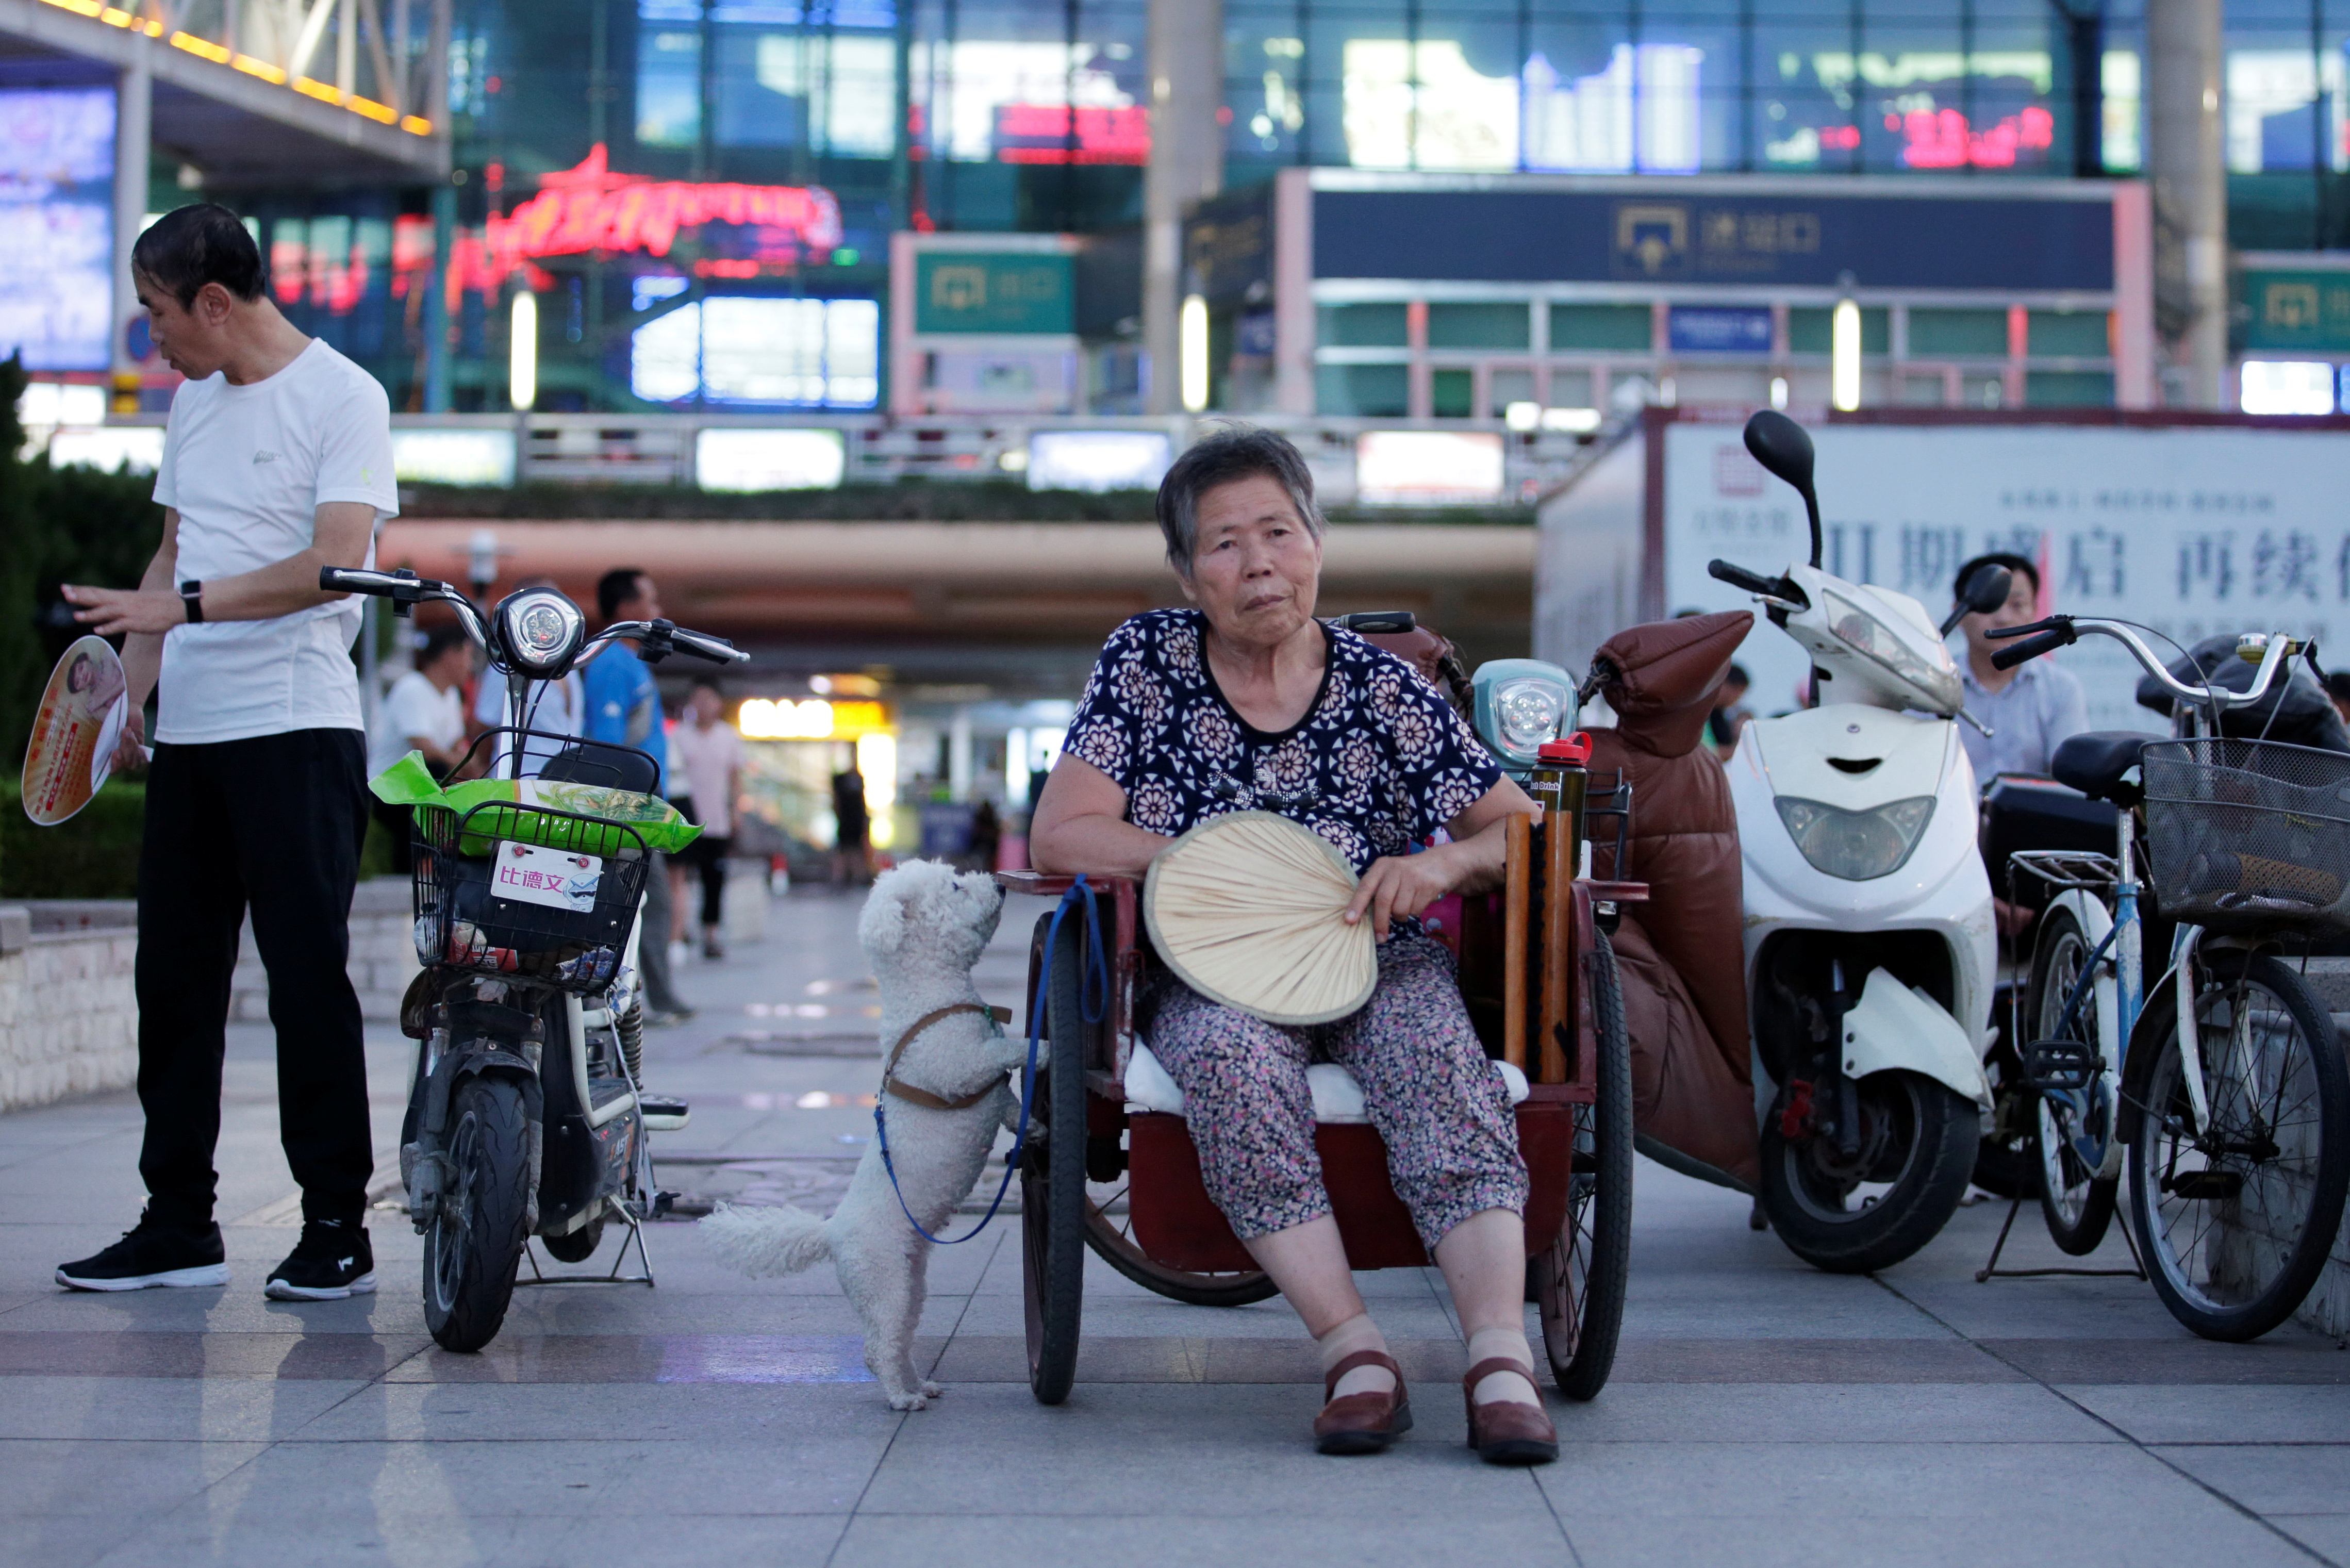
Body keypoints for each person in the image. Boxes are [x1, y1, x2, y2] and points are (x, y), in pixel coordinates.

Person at [1029, 425, 1553, 1465]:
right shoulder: (1147, 661)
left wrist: (1440, 867)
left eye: (1277, 529)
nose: (1256, 560)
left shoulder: (1384, 688)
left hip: (1370, 949)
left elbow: (1522, 828)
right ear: (1187, 571)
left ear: (1315, 540)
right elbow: (1062, 829)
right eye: (1223, 542)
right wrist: (1217, 863)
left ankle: (1500, 1355)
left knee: (1443, 1073)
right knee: (1228, 1068)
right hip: (1215, 967)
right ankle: (1354, 1351)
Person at [53, 203, 394, 1300]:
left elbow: (332, 565)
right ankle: (177, 1222)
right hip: (194, 737)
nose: (149, 336)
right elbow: (168, 561)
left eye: (157, 312)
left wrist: (186, 611)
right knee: (177, 986)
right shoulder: (193, 405)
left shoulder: (346, 396)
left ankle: (336, 1224)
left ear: (213, 300)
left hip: (296, 725)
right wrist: (121, 707)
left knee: (306, 985)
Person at [1952, 551, 2089, 938]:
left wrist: (2032, 888)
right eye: (1990, 604)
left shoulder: (2061, 690)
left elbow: (2070, 793)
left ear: (2035, 610)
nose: (2004, 617)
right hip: (1951, 855)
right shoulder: (1930, 687)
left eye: (2018, 604)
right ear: (1959, 611)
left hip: (2037, 863)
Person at [583, 567, 693, 1023]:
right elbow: (607, 744)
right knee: (644, 901)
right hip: (626, 806)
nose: (658, 610)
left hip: (643, 804)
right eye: (651, 600)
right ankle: (643, 1000)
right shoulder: (611, 664)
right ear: (627, 608)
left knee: (644, 903)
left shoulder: (630, 663)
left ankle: (648, 997)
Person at [367, 623, 472, 872]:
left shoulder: (450, 695)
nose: (471, 665)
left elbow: (457, 744)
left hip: (415, 786)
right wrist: (465, 766)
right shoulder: (412, 687)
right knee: (437, 772)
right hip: (389, 787)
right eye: (468, 656)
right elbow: (424, 748)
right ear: (450, 655)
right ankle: (410, 869)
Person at [469, 575, 584, 774]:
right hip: (519, 786)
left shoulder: (570, 666)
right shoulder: (506, 665)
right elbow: (484, 731)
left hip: (564, 788)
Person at [672, 678, 746, 959]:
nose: (703, 705)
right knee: (679, 878)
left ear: (718, 704)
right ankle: (680, 930)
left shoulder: (728, 736)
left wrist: (736, 811)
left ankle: (711, 934)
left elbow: (736, 778)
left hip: (716, 821)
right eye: (698, 699)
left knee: (714, 879)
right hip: (685, 821)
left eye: (709, 699)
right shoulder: (679, 735)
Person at [831, 763, 871, 885]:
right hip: (846, 822)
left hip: (855, 822)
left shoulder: (857, 780)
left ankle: (856, 876)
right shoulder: (840, 780)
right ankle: (841, 877)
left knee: (855, 850)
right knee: (845, 850)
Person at [1705, 662, 1752, 758]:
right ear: (1724, 683)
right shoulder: (1700, 711)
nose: (1737, 699)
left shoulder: (1721, 715)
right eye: (1738, 692)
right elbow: (1704, 750)